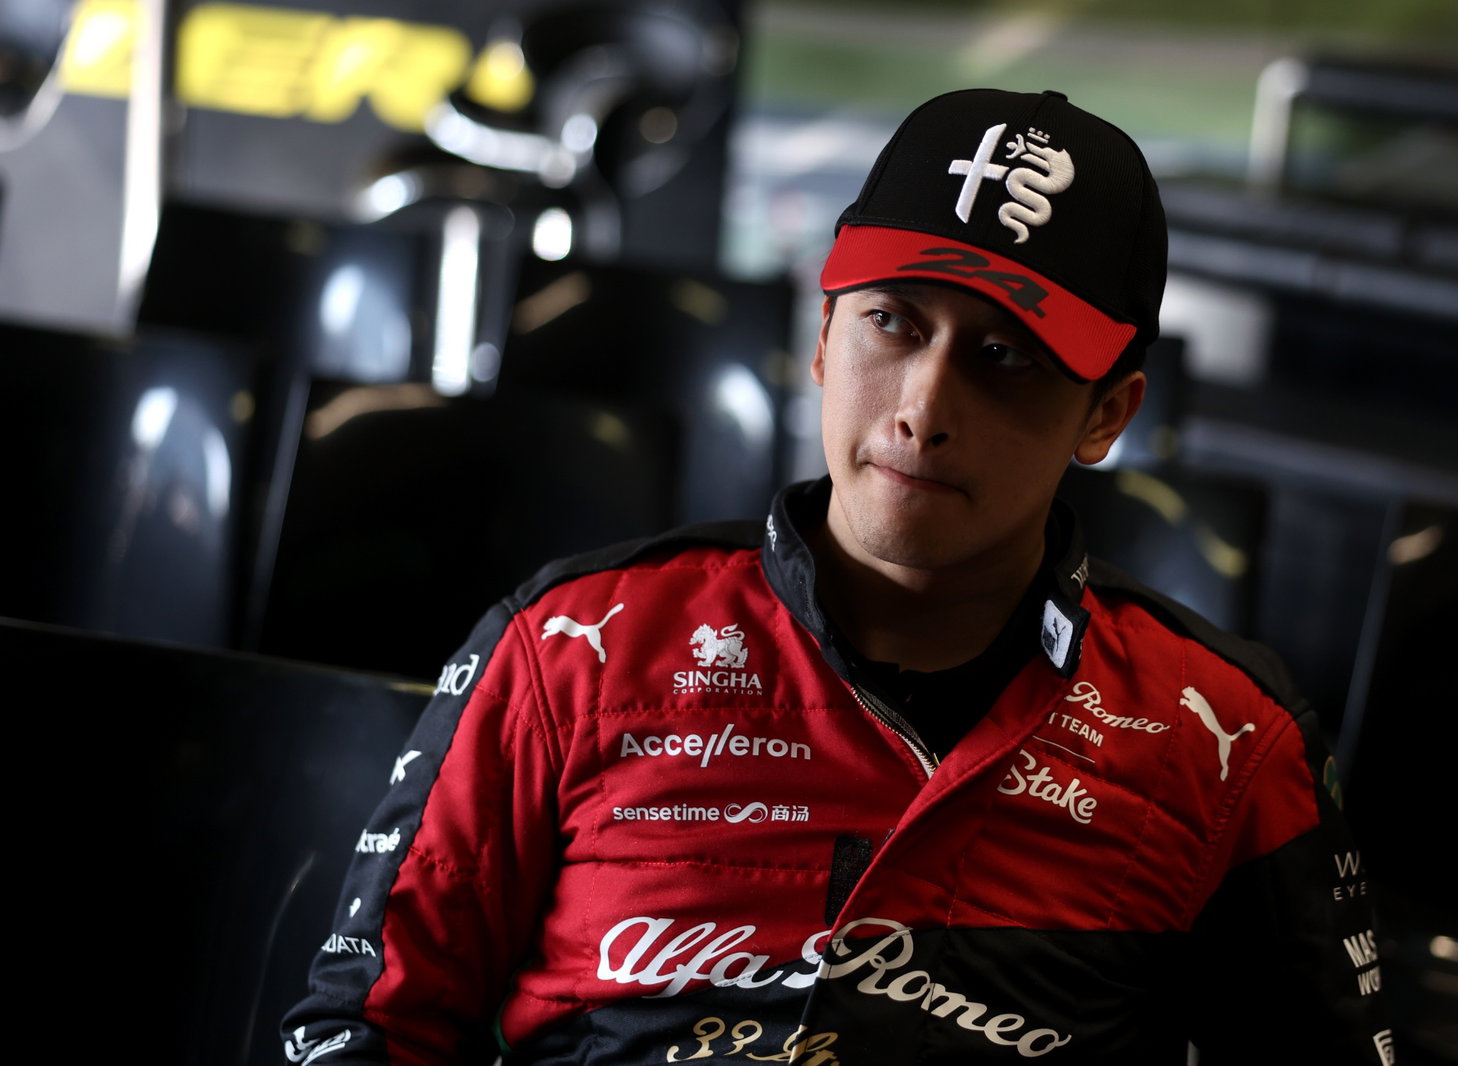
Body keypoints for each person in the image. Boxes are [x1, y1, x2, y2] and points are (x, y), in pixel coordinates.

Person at [282, 88, 1393, 1065]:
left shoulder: (1227, 742)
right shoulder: (570, 648)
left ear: (1107, 413)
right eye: (892, 323)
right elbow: (366, 1029)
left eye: (1003, 356)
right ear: (821, 339)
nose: (923, 407)